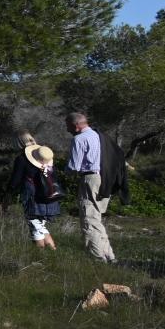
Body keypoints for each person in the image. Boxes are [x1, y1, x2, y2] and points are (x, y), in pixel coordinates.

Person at [67, 111, 125, 263]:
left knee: (89, 219)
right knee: (96, 218)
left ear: (75, 125)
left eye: (68, 126)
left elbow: (74, 167)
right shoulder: (100, 136)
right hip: (106, 178)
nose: (67, 129)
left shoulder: (79, 139)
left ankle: (97, 258)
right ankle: (109, 256)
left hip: (90, 179)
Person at [16, 140, 63, 249]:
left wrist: (8, 193)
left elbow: (15, 180)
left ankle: (41, 253)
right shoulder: (49, 167)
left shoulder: (22, 160)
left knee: (36, 226)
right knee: (40, 226)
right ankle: (52, 251)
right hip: (49, 200)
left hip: (34, 199)